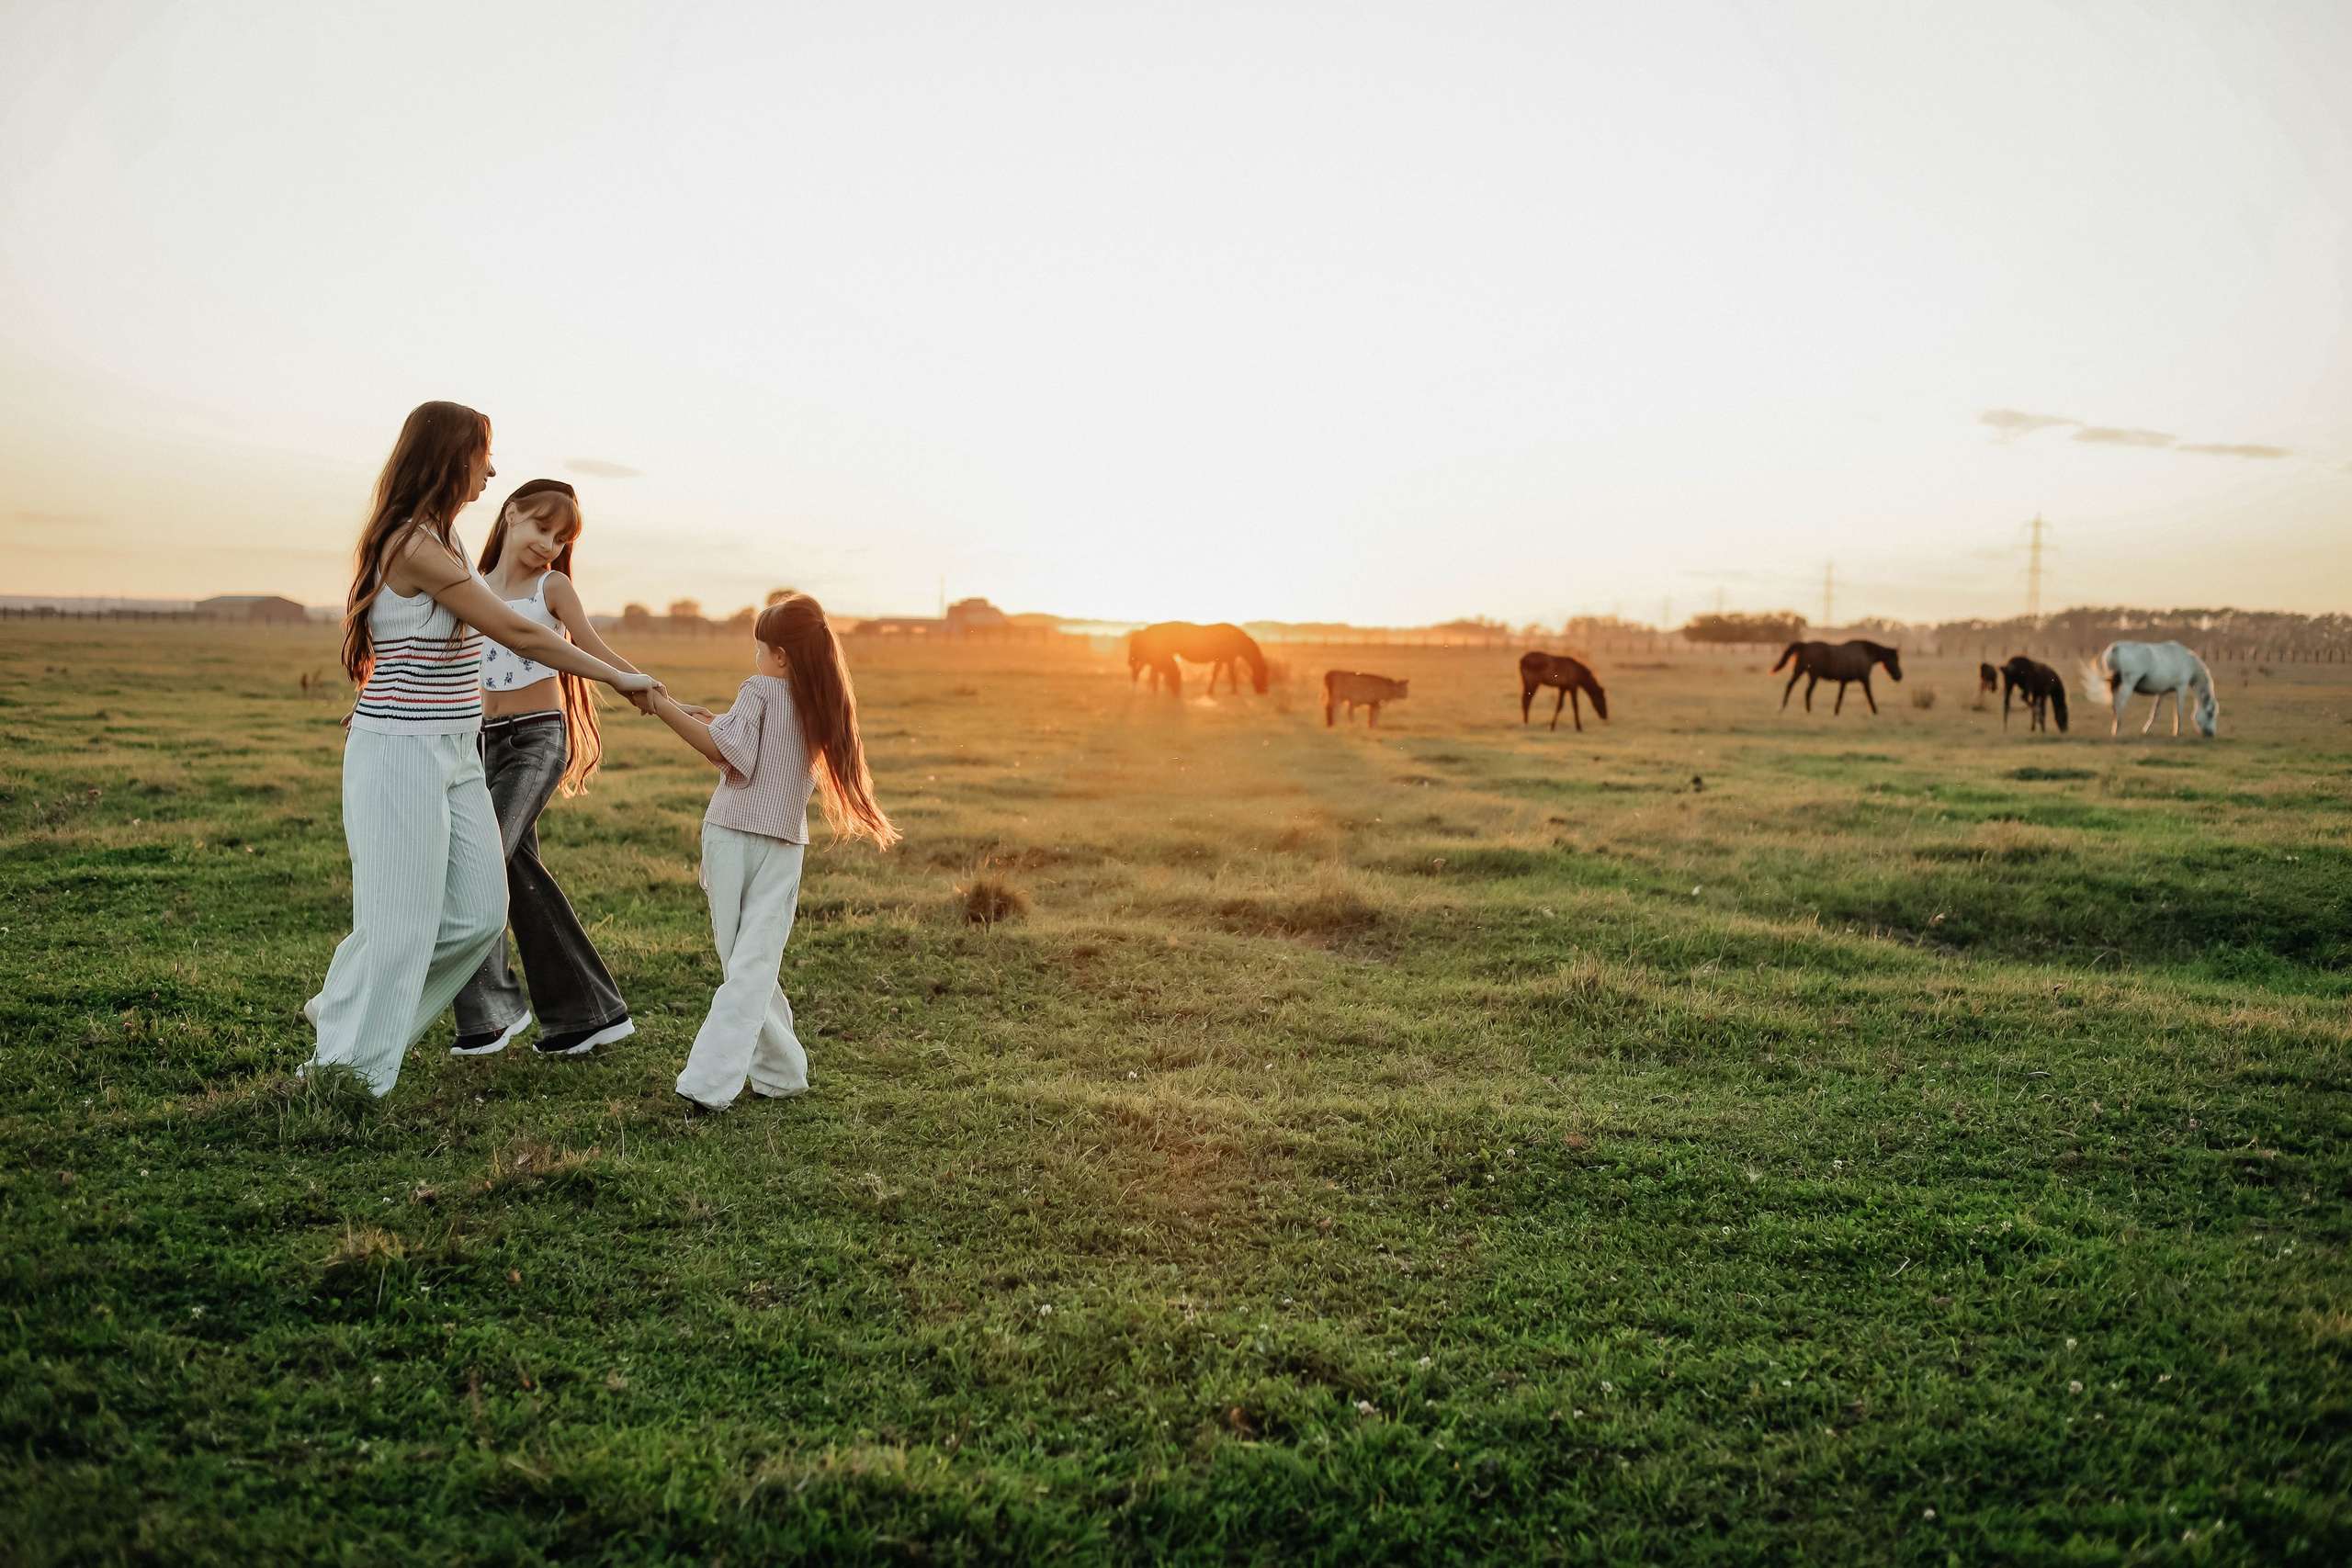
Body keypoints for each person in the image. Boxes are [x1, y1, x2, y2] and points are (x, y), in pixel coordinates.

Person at [304, 402, 659, 1097]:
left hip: (456, 751)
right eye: (482, 454)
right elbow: (517, 633)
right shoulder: (412, 544)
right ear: (448, 456)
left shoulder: (448, 538)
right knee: (401, 928)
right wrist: (614, 675)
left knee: (473, 917)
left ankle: (344, 1013)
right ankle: (348, 1074)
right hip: (402, 751)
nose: (491, 470)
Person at [638, 592, 897, 1111]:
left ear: (780, 655)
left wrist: (662, 706)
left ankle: (707, 1085)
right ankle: (782, 1073)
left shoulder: (758, 688)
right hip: (783, 846)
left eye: (760, 649)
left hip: (732, 836)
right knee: (752, 964)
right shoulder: (824, 701)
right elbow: (754, 746)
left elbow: (724, 752)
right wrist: (718, 719)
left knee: (744, 963)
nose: (756, 659)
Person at [448, 479, 641, 1058]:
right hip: (484, 742)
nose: (550, 545)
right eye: (541, 529)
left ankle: (490, 1015)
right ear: (510, 514)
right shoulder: (472, 587)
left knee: (480, 860)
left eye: (561, 539)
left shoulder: (551, 587)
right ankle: (587, 1015)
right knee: (512, 865)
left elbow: (589, 646)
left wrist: (631, 680)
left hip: (537, 741)